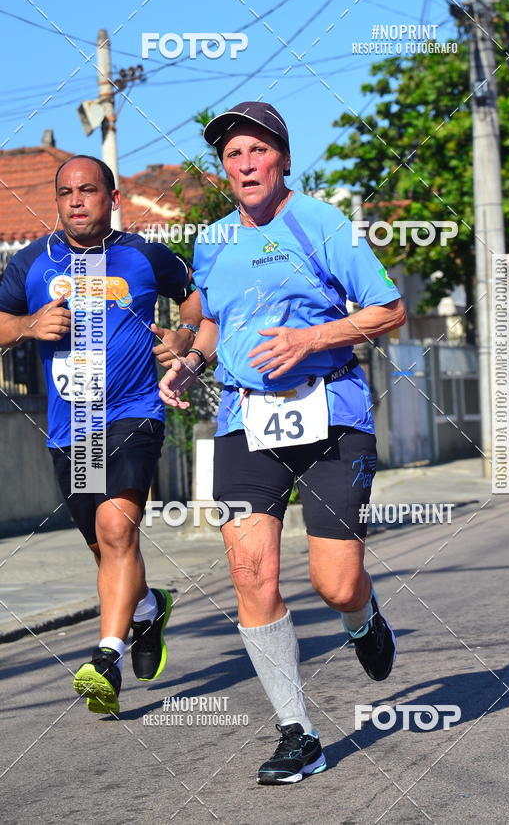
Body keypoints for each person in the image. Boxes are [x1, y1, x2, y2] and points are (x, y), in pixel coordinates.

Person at [159, 101, 406, 784]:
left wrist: (308, 338)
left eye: (257, 151)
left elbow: (389, 309)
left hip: (331, 416)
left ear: (283, 159)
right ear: (225, 170)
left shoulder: (321, 222)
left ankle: (361, 616)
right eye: (233, 156)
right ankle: (297, 732)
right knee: (251, 573)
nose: (245, 164)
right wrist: (191, 361)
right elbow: (212, 325)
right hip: (245, 421)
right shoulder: (212, 241)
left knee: (334, 582)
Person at [0, 155, 203, 715]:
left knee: (118, 527)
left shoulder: (143, 255)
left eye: (88, 190)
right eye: (66, 192)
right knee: (105, 547)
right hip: (72, 425)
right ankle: (146, 610)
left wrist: (183, 337)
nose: (76, 201)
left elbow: (194, 293)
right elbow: (0, 322)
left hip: (134, 410)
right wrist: (26, 326)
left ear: (112, 198)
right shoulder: (30, 264)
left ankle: (105, 658)